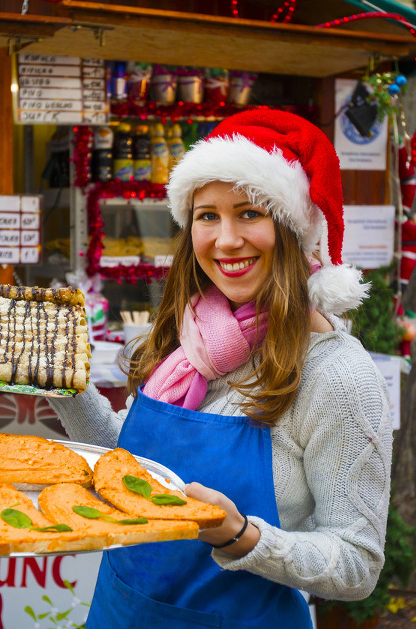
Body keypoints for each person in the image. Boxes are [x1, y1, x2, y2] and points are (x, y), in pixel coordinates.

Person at [49, 110, 393, 628]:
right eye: (207, 215)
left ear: (294, 230)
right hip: (121, 613)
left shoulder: (336, 375)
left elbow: (356, 564)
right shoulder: (184, 337)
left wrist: (244, 537)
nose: (226, 240)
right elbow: (131, 467)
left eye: (249, 213)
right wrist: (63, 385)